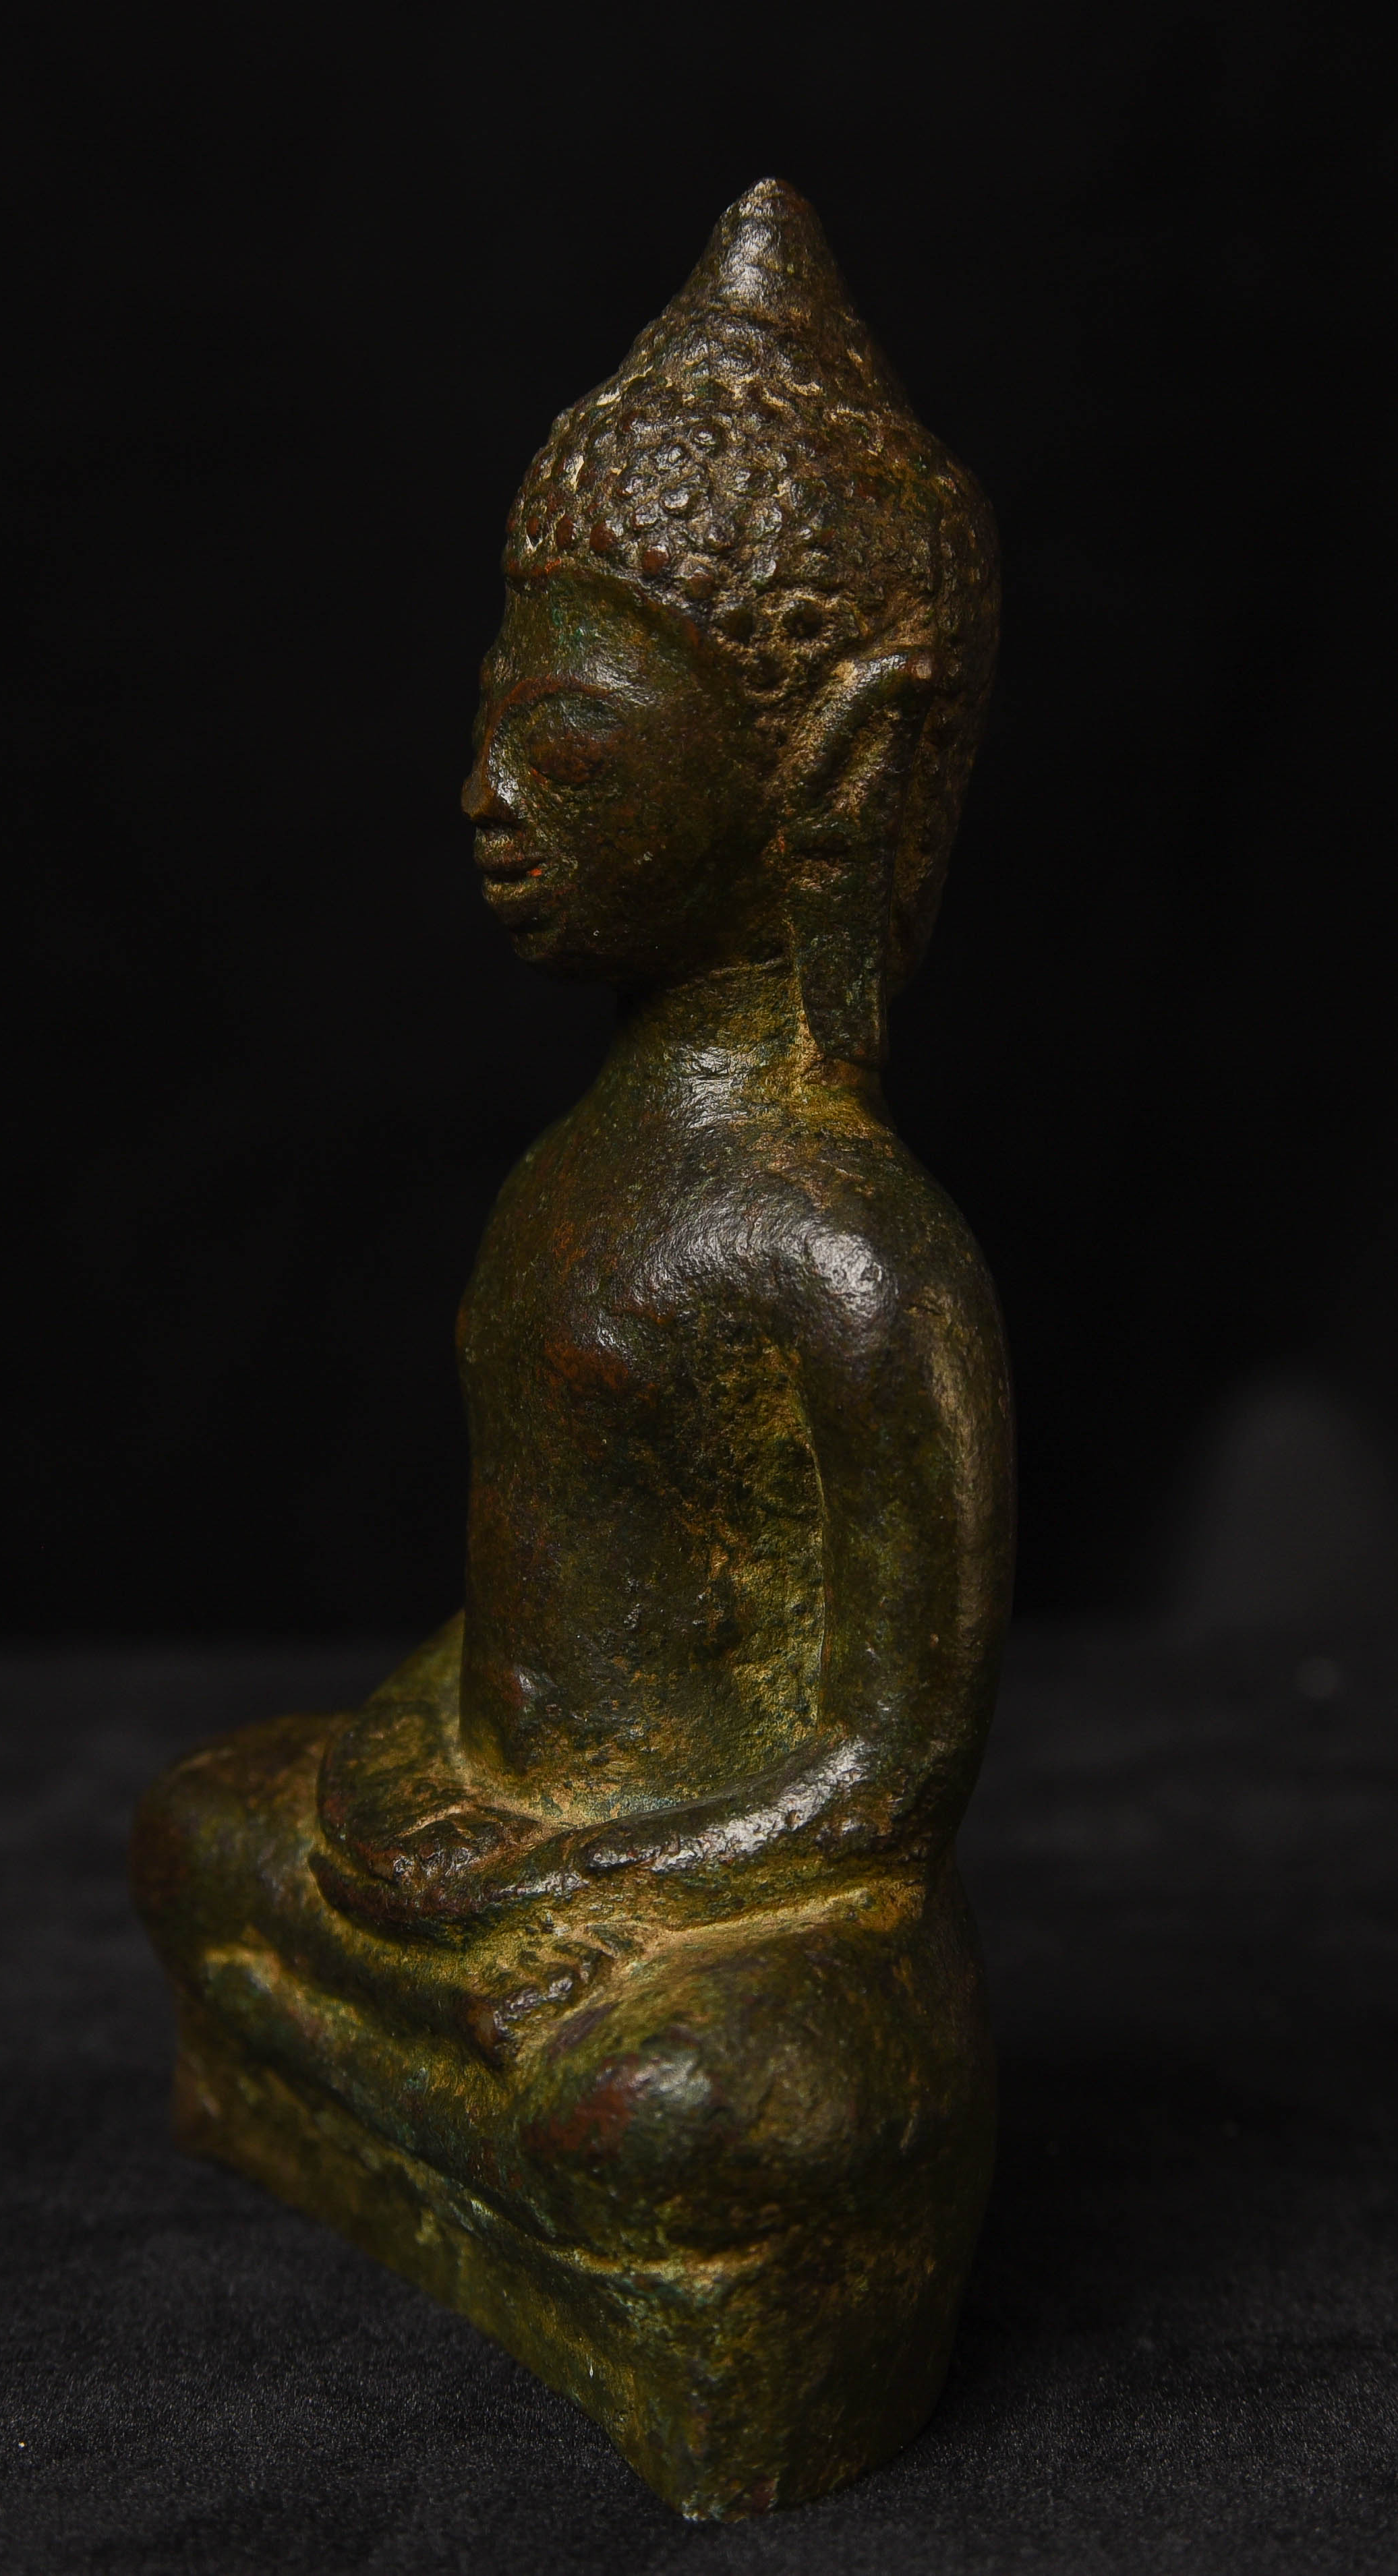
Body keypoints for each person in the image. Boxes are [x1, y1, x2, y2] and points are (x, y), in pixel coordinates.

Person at [133, 178, 1012, 2519]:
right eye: (493, 727)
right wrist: (419, 1780)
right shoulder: (569, 1181)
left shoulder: (850, 1253)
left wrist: (599, 1874)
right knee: (207, 1837)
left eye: (577, 747)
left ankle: (693, 2255)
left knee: (696, 2113)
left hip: (723, 1913)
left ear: (827, 770)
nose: (488, 799)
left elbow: (889, 1775)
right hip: (528, 1849)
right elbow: (537, 1619)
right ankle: (467, 2106)